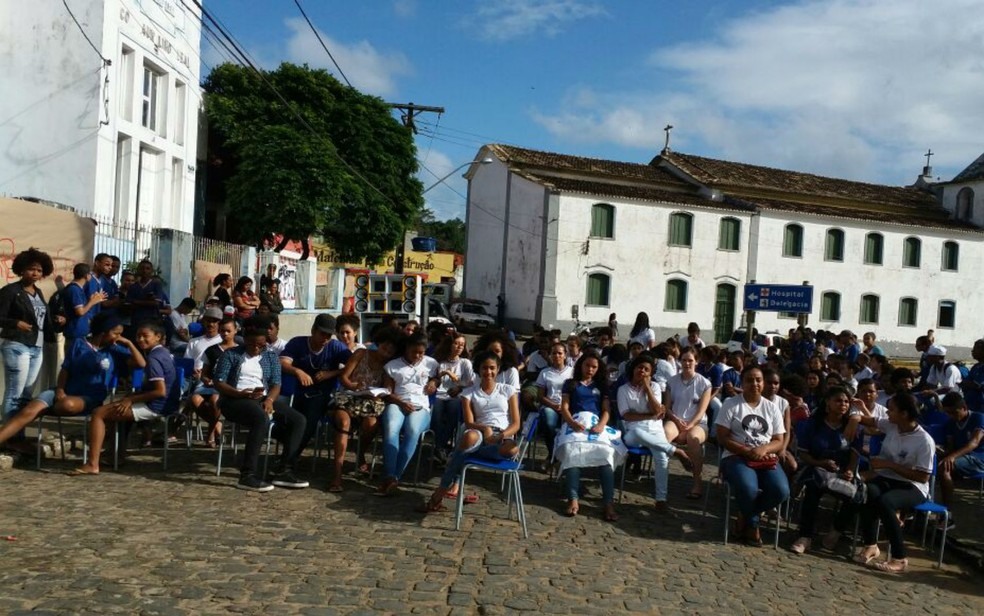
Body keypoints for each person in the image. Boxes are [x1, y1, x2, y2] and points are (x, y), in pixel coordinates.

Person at [0, 312, 142, 447]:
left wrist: (129, 343)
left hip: (89, 397)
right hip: (65, 391)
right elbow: (65, 369)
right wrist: (60, 390)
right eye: (116, 333)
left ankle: (46, 409)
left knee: (68, 405)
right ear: (103, 331)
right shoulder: (79, 344)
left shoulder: (114, 350)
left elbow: (141, 364)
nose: (118, 337)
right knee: (28, 411)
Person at [420, 351, 522, 512]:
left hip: (502, 434)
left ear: (498, 369)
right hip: (479, 431)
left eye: (492, 368)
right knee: (469, 437)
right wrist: (486, 429)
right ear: (478, 370)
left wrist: (500, 435)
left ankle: (460, 460)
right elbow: (469, 422)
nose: (488, 372)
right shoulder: (469, 393)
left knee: (513, 449)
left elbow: (516, 423)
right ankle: (442, 489)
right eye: (484, 368)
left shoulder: (508, 390)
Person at [71, 321, 177, 475]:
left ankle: (92, 463)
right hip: (166, 403)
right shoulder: (163, 353)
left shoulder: (154, 358)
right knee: (118, 413)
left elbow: (160, 391)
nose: (141, 339)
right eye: (138, 336)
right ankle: (115, 456)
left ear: (158, 337)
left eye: (145, 336)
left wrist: (131, 400)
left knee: (99, 414)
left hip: (157, 405)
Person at [213, 323, 308, 491]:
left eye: (261, 344)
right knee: (260, 417)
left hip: (261, 398)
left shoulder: (270, 357)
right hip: (234, 399)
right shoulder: (231, 355)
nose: (256, 348)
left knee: (298, 420)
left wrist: (270, 400)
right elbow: (219, 382)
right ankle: (248, 474)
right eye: (252, 344)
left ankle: (284, 470)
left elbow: (276, 384)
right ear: (245, 340)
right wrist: (240, 393)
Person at [848, 393, 934, 573]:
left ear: (904, 414)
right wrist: (854, 417)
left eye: (892, 409)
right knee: (867, 491)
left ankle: (899, 557)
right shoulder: (892, 426)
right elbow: (869, 421)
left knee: (886, 501)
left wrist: (889, 464)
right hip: (889, 479)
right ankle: (870, 545)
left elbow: (922, 477)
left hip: (913, 486)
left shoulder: (924, 441)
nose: (887, 413)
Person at [716, 365, 791, 547]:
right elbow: (722, 437)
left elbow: (779, 440)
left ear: (763, 383)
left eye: (758, 380)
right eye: (749, 380)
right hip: (736, 456)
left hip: (764, 458)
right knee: (748, 488)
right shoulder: (731, 404)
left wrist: (764, 449)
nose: (754, 384)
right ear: (742, 382)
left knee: (781, 491)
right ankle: (753, 525)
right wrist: (747, 452)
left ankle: (745, 516)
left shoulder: (771, 408)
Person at [789, 386, 862, 554]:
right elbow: (804, 455)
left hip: (841, 473)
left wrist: (850, 471)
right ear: (827, 403)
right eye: (838, 400)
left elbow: (854, 455)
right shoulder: (813, 425)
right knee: (813, 488)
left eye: (846, 402)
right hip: (816, 468)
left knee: (858, 496)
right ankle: (805, 536)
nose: (842, 404)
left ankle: (836, 532)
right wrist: (820, 463)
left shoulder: (852, 427)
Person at [332, 327, 403, 491]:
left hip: (369, 402)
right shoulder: (361, 354)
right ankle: (337, 474)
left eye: (391, 350)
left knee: (371, 424)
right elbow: (343, 376)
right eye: (385, 346)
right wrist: (352, 385)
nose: (387, 351)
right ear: (379, 343)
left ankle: (360, 453)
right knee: (343, 422)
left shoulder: (388, 366)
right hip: (349, 396)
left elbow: (387, 389)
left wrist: (379, 393)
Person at [617, 354, 691, 511]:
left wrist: (647, 388)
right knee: (637, 432)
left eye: (646, 370)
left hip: (654, 430)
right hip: (633, 432)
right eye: (639, 368)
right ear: (633, 369)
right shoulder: (623, 390)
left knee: (661, 456)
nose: (642, 371)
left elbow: (658, 410)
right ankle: (675, 450)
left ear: (651, 373)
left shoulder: (656, 387)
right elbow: (626, 415)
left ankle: (661, 499)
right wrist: (649, 415)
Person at [556, 352, 620, 521]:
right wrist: (571, 423)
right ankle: (573, 498)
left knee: (606, 456)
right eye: (587, 366)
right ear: (580, 366)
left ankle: (608, 503)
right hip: (575, 422)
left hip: (595, 424)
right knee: (572, 452)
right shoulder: (570, 384)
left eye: (594, 367)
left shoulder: (602, 386)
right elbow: (565, 407)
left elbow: (606, 410)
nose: (590, 369)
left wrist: (601, 425)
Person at [0, 248, 60, 420]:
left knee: (27, 395)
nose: (35, 273)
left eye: (39, 270)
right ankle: (10, 436)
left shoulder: (38, 292)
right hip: (17, 345)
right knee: (15, 393)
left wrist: (55, 320)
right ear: (22, 269)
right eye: (31, 269)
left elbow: (39, 319)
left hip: (36, 347)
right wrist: (15, 323)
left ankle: (19, 433)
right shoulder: (10, 291)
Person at [377, 332, 439, 495]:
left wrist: (433, 382)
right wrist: (401, 402)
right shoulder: (392, 365)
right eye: (414, 352)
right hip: (397, 402)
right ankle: (390, 476)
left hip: (420, 406)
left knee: (412, 430)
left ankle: (395, 476)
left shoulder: (431, 364)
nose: (417, 356)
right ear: (406, 349)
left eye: (421, 352)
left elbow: (437, 378)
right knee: (391, 429)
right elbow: (387, 392)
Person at [280, 313, 352, 451]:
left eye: (328, 335)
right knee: (284, 419)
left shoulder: (336, 347)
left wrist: (332, 373)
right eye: (322, 334)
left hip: (324, 395)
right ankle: (289, 452)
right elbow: (282, 362)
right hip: (298, 393)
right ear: (313, 330)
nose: (325, 339)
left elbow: (354, 366)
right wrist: (297, 371)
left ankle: (289, 459)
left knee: (309, 419)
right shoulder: (297, 343)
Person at [663, 347, 711, 498]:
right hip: (676, 420)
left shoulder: (704, 383)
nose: (687, 363)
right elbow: (667, 407)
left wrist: (689, 425)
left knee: (693, 438)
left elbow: (701, 411)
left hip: (697, 423)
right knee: (664, 434)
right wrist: (677, 421)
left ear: (696, 362)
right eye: (684, 360)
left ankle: (697, 483)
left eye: (690, 360)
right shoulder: (672, 381)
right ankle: (661, 480)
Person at [938, 392, 984, 524]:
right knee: (930, 463)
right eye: (947, 412)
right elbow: (951, 448)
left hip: (978, 458)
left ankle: (947, 514)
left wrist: (951, 456)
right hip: (962, 458)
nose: (950, 415)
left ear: (964, 407)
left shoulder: (978, 418)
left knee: (944, 467)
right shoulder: (951, 423)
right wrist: (942, 451)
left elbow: (973, 444)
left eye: (953, 412)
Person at [430, 332, 474, 463]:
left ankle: (439, 447)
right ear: (450, 344)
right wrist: (445, 373)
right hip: (439, 394)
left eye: (462, 344)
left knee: (453, 412)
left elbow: (471, 382)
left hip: (457, 395)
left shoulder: (465, 363)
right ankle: (441, 447)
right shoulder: (439, 361)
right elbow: (433, 380)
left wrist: (459, 387)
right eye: (456, 343)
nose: (459, 347)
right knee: (435, 415)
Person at [536, 342, 573, 460]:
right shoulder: (545, 373)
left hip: (568, 406)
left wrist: (565, 407)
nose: (557, 356)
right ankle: (554, 454)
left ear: (565, 355)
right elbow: (540, 396)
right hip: (550, 406)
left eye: (560, 353)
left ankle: (563, 456)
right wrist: (553, 405)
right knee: (549, 424)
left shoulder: (572, 372)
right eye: (554, 353)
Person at [62, 263, 107, 352]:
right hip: (75, 334)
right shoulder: (74, 289)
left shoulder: (79, 289)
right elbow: (80, 312)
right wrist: (92, 302)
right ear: (87, 276)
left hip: (81, 334)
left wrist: (92, 300)